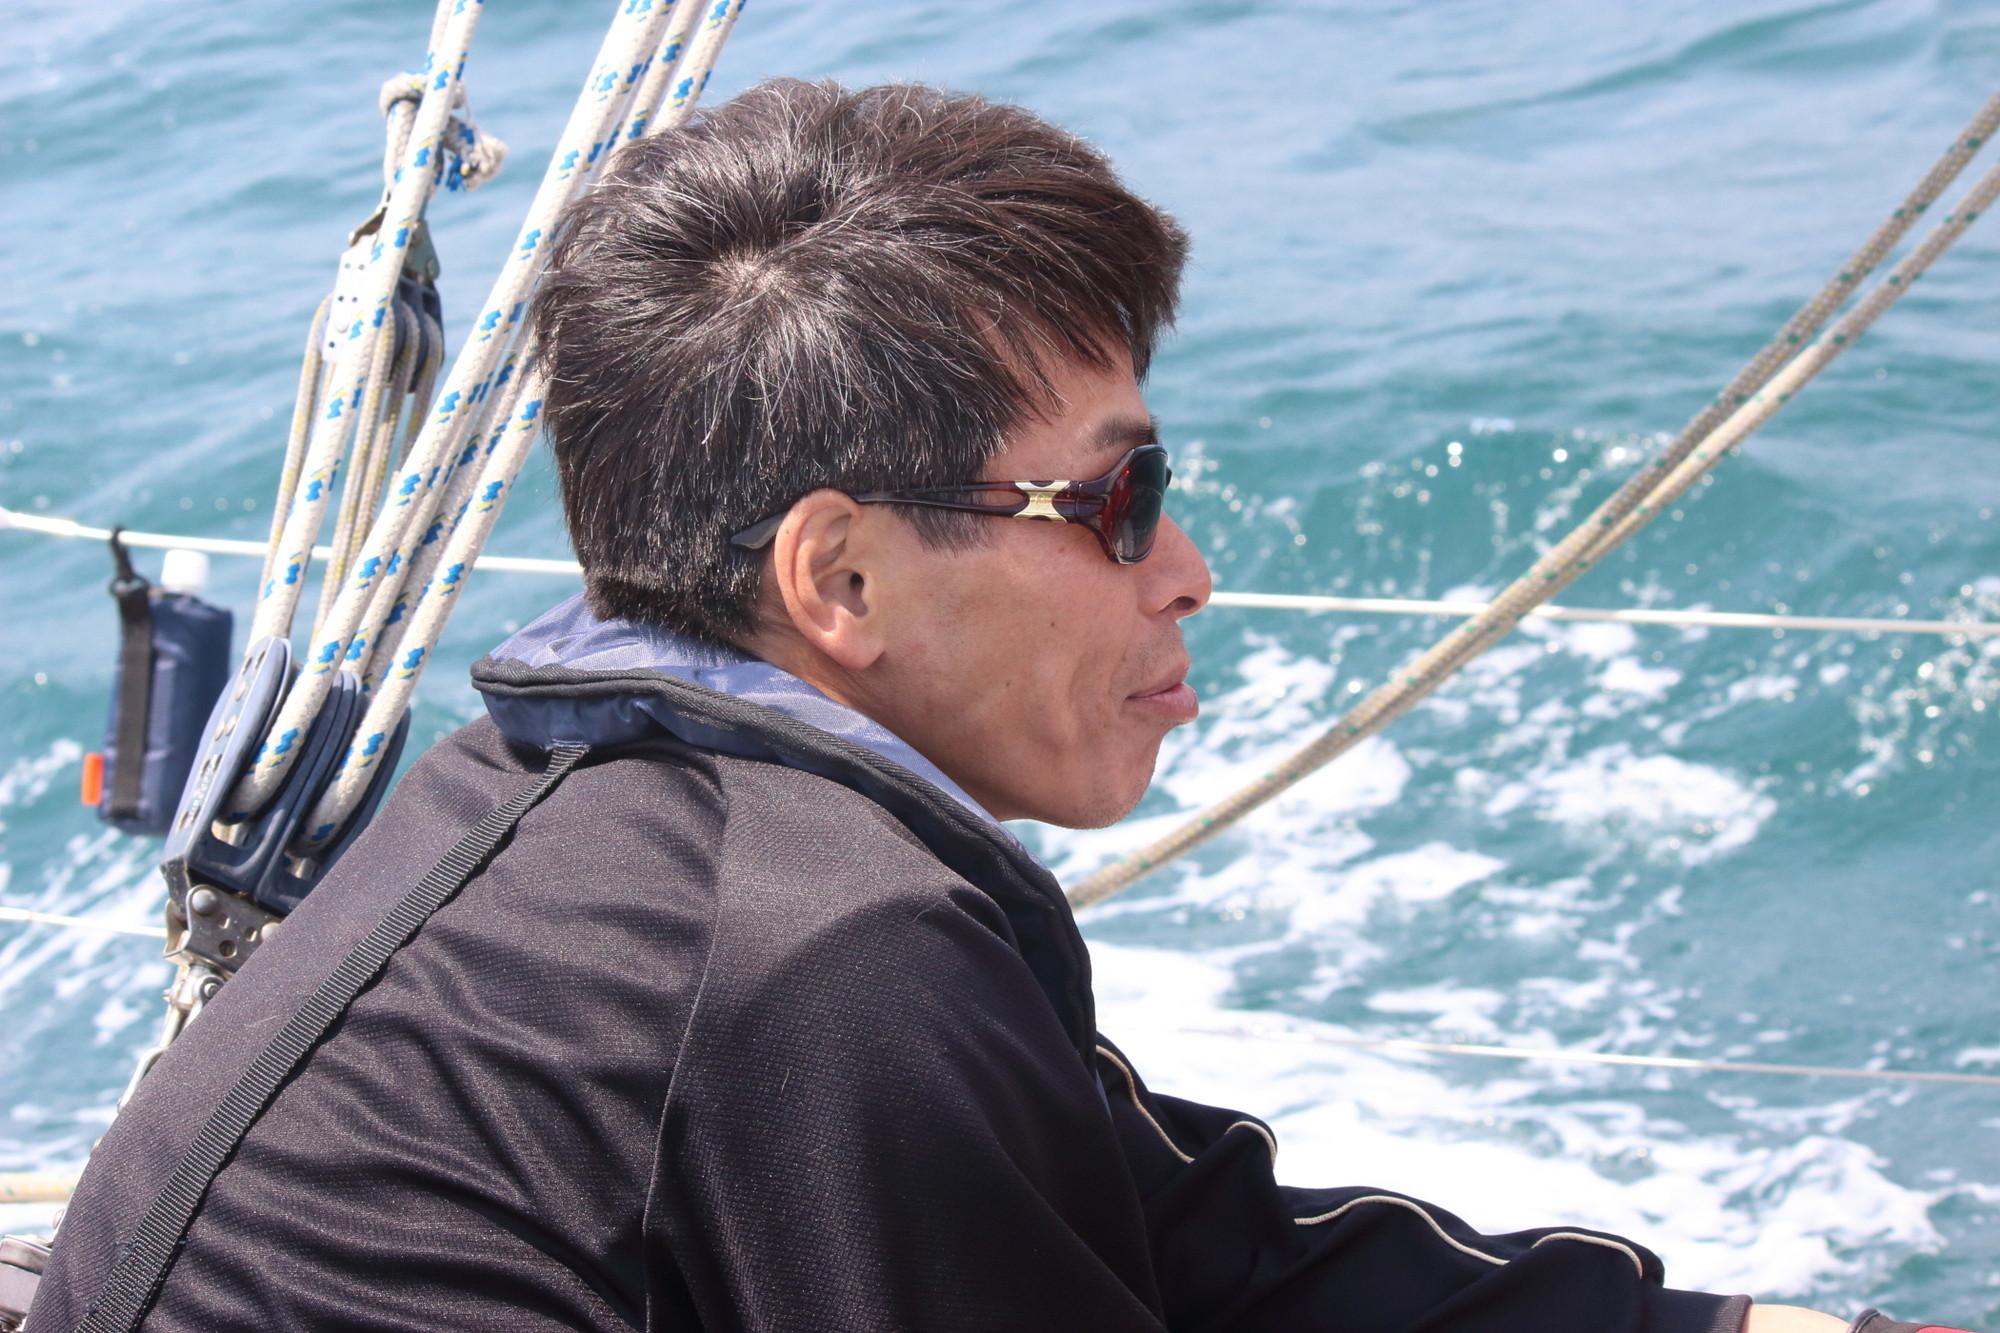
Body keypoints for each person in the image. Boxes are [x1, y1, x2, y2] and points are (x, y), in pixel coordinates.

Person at [31, 80, 1962, 1333]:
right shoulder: (823, 953)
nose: (1186, 566)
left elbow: (1183, 1240)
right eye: (1116, 498)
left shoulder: (559, 800)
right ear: (843, 580)